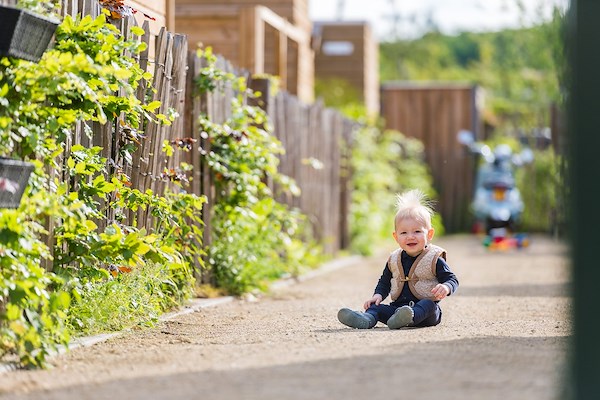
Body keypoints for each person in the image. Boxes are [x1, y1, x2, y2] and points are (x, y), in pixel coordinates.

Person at [338, 189, 459, 329]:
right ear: (396, 237)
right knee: (375, 307)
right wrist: (378, 295)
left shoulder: (433, 258)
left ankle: (409, 317)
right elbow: (384, 281)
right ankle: (367, 319)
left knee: (428, 304)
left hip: (426, 313)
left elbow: (452, 279)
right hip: (397, 310)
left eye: (417, 231)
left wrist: (446, 287)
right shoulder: (394, 259)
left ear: (429, 234)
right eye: (404, 233)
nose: (410, 236)